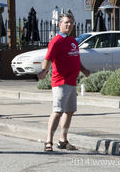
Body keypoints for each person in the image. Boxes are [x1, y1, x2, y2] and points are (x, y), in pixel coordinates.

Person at [37, 13, 90, 152]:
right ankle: (48, 141)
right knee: (58, 111)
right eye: (66, 22)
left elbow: (76, 58)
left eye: (71, 22)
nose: (69, 25)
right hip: (60, 82)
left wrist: (84, 70)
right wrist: (43, 71)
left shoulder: (72, 41)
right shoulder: (56, 41)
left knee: (70, 111)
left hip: (72, 82)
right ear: (60, 24)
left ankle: (63, 139)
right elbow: (48, 58)